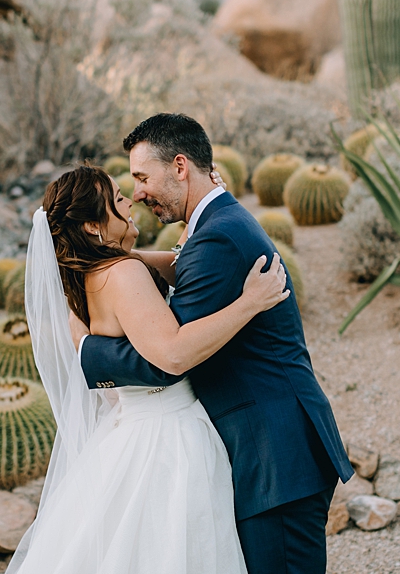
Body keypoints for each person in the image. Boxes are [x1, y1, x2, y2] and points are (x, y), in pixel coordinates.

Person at [81, 113, 356, 574]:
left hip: (274, 457)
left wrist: (84, 349)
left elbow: (168, 358)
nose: (139, 193)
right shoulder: (216, 222)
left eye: (143, 178)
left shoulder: (218, 238)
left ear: (180, 166)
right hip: (272, 450)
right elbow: (182, 264)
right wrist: (112, 259)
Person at [10, 164, 287, 574]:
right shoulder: (123, 273)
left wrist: (196, 217)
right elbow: (172, 355)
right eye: (118, 198)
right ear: (92, 225)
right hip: (169, 435)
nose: (129, 203)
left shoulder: (89, 278)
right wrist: (251, 302)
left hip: (132, 426)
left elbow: (176, 264)